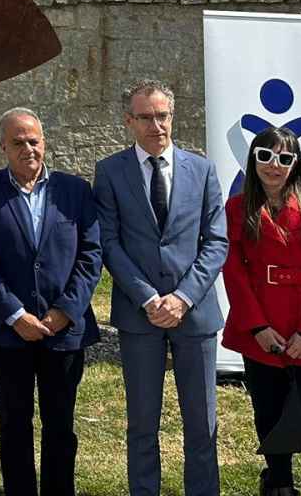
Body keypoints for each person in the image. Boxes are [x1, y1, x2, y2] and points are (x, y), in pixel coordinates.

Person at [93, 78, 227, 496]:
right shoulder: (110, 171)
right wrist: (149, 298)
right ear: (129, 121)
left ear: (173, 116)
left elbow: (216, 241)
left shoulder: (202, 170)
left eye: (163, 115)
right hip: (140, 315)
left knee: (202, 425)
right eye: (146, 117)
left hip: (195, 313)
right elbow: (109, 242)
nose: (157, 125)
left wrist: (183, 298)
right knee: (142, 423)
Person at [0, 108, 101, 496]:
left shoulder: (75, 191)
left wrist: (65, 311)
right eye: (19, 142)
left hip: (64, 333)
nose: (28, 148)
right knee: (14, 423)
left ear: (45, 142)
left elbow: (91, 256)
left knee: (60, 424)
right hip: (9, 333)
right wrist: (14, 314)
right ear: (3, 146)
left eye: (35, 140)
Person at [221, 126, 301, 496]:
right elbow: (233, 269)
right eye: (265, 156)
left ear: (296, 164)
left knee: (295, 401)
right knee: (267, 405)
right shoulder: (238, 207)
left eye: (285, 158)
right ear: (253, 159)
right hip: (261, 322)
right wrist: (257, 326)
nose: (274, 165)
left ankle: (277, 477)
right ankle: (282, 482)